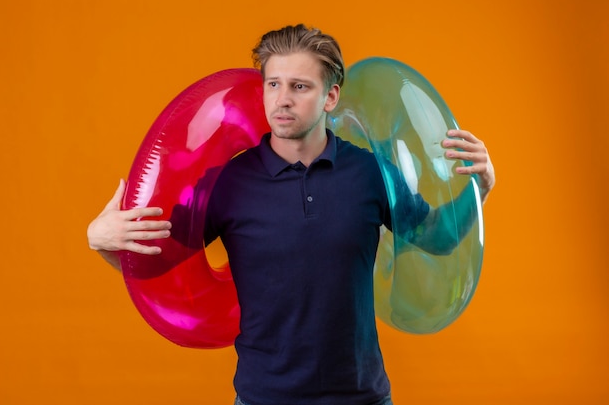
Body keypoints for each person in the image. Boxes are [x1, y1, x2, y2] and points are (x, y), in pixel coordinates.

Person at [87, 24, 495, 405]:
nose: (282, 99)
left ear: (330, 97)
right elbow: (155, 264)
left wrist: (480, 188)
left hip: (361, 396)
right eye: (273, 84)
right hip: (263, 397)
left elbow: (437, 236)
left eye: (300, 87)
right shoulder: (229, 182)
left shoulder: (370, 172)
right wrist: (101, 238)